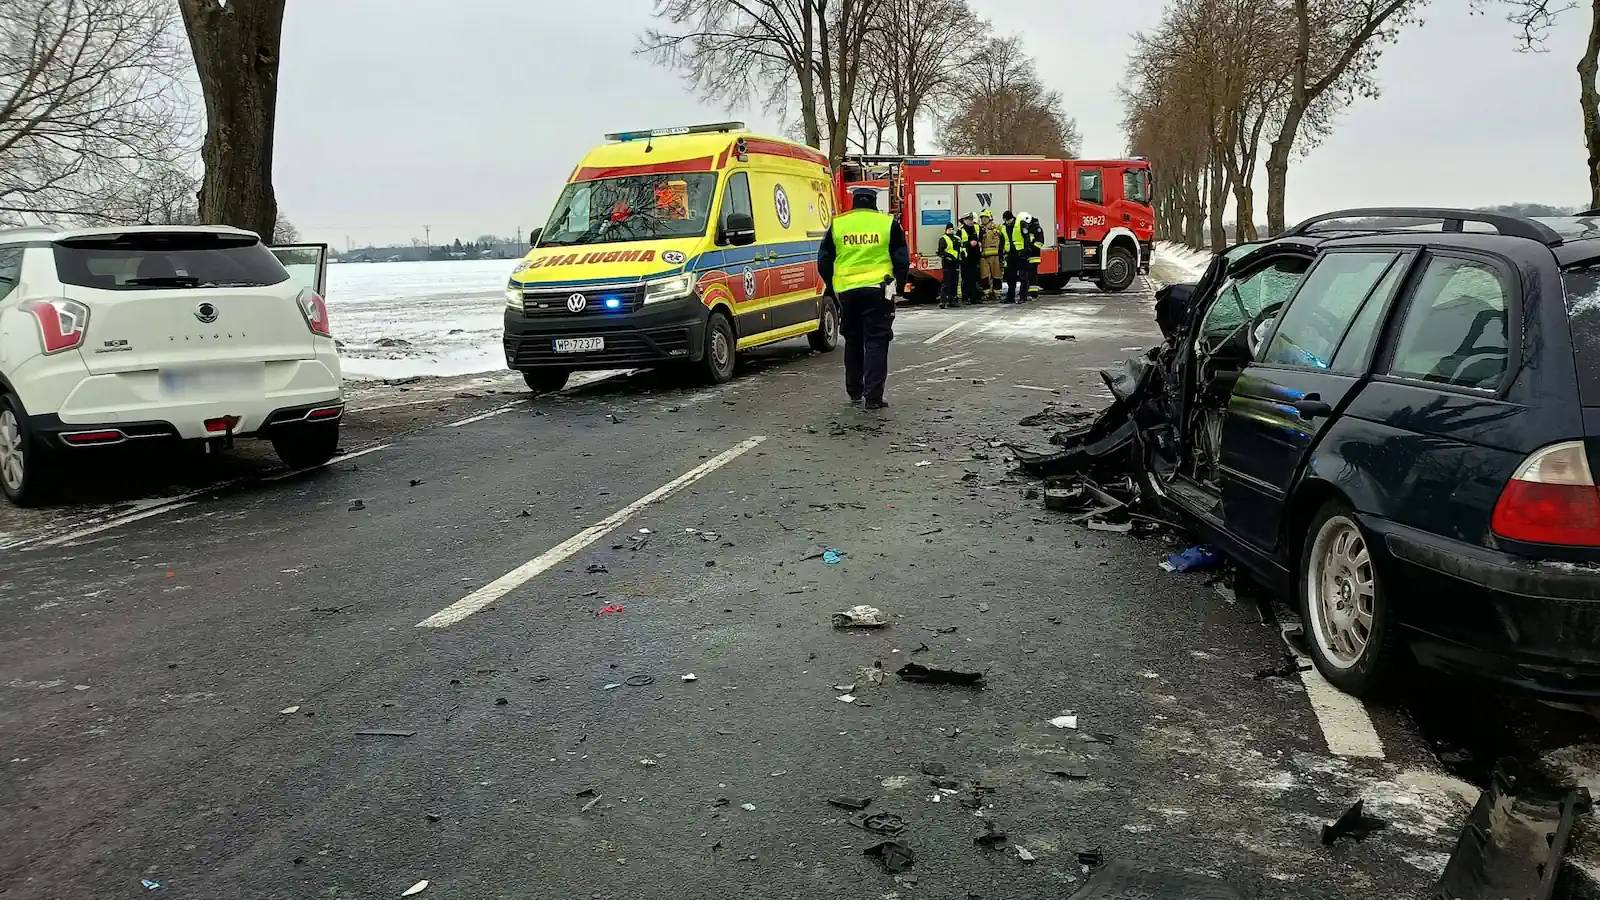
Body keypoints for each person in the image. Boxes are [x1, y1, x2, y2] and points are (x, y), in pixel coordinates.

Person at [817, 188, 911, 410]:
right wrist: (898, 285)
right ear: (873, 202)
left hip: (847, 293)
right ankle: (873, 397)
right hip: (879, 291)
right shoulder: (887, 224)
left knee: (853, 340)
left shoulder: (838, 225)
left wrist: (833, 285)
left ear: (854, 202)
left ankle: (854, 391)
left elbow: (823, 261)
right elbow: (901, 260)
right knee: (876, 341)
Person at [1002, 210, 1027, 303]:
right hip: (1010, 254)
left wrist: (1025, 252)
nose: (1006, 222)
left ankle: (1022, 297)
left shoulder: (1020, 223)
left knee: (1022, 276)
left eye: (1007, 220)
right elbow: (1003, 240)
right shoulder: (1004, 227)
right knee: (1010, 277)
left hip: (1020, 253)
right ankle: (1010, 297)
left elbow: (1026, 238)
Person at [979, 209, 1004, 301]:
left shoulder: (997, 228)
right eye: (982, 218)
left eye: (985, 217)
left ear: (990, 218)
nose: (983, 219)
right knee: (984, 276)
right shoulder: (979, 229)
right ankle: (986, 293)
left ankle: (997, 293)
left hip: (995, 256)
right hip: (983, 257)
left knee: (997, 275)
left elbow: (1003, 240)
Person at [958, 213, 982, 305]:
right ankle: (965, 298)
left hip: (974, 257)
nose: (971, 221)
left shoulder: (974, 229)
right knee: (966, 279)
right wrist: (969, 244)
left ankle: (974, 297)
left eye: (971, 219)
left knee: (975, 278)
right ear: (964, 220)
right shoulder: (961, 230)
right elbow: (959, 243)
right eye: (968, 219)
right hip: (966, 258)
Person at [936, 221, 961, 309]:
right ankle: (943, 301)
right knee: (946, 282)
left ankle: (952, 300)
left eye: (952, 229)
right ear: (946, 230)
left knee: (954, 282)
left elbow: (959, 249)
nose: (951, 230)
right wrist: (948, 256)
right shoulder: (943, 239)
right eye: (949, 229)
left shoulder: (956, 238)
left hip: (955, 262)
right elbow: (940, 251)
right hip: (947, 263)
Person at [1024, 213, 1045, 300]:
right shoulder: (1028, 228)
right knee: (1027, 275)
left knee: (1032, 275)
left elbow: (1040, 242)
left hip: (1034, 256)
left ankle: (1033, 293)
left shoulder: (1037, 229)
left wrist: (1031, 248)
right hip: (1027, 256)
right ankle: (1027, 292)